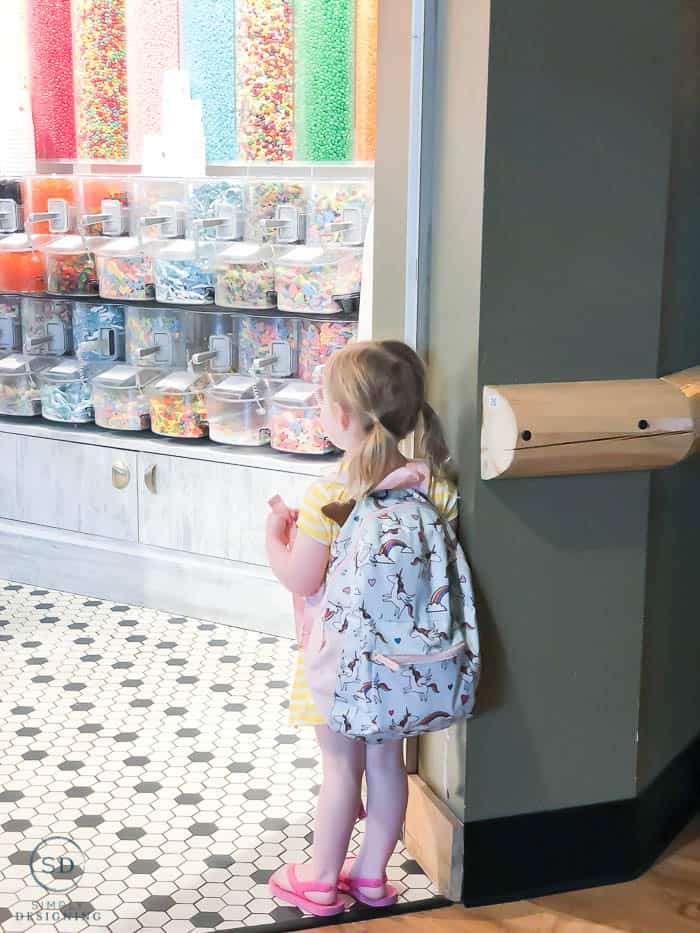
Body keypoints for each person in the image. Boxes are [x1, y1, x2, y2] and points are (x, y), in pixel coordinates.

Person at [265, 340, 459, 916]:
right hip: (406, 664)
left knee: (340, 769)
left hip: (340, 663)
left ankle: (321, 879)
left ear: (342, 417)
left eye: (324, 401)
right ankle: (370, 878)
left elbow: (302, 580)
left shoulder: (331, 493)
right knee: (386, 766)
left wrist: (275, 536)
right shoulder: (437, 488)